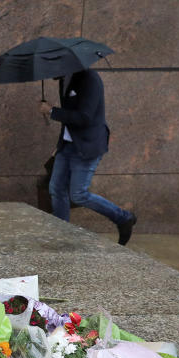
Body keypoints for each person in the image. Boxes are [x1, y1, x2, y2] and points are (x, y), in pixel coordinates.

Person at [38, 68, 137, 245]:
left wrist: (52, 111)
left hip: (87, 145)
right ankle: (62, 235)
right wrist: (59, 145)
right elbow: (70, 116)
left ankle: (123, 218)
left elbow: (85, 117)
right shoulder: (65, 78)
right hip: (67, 145)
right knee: (56, 188)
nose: (51, 71)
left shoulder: (90, 79)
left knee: (78, 194)